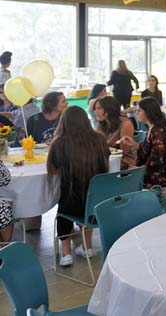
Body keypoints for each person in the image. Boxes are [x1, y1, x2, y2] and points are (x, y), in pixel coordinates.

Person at [47, 107, 109, 265]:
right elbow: (106, 165)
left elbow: (53, 170)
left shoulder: (59, 143)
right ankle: (87, 247)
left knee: (64, 208)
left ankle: (66, 253)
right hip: (95, 202)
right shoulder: (99, 139)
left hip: (70, 202)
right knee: (86, 204)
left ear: (64, 123)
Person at [121, 97, 166, 189]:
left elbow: (156, 162)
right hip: (154, 171)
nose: (136, 113)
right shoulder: (152, 128)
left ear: (148, 112)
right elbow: (148, 149)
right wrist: (134, 144)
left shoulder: (158, 132)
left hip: (158, 176)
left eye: (139, 111)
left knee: (122, 178)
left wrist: (137, 170)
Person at [95, 96, 136, 169]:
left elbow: (123, 152)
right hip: (107, 159)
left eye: (99, 108)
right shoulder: (101, 124)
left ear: (109, 109)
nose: (95, 111)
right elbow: (97, 145)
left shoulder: (125, 124)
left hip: (125, 162)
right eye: (95, 108)